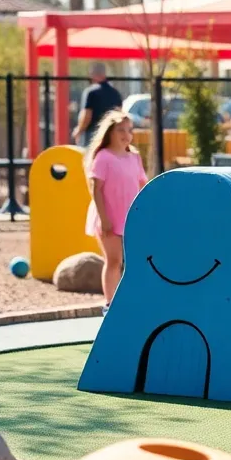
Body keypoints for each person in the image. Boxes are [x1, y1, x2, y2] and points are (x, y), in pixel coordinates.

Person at [84, 110, 147, 311]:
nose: (126, 134)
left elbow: (142, 184)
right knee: (114, 261)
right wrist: (104, 219)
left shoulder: (134, 157)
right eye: (120, 129)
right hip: (109, 217)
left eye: (129, 130)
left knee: (134, 262)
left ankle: (129, 302)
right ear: (110, 132)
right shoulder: (103, 157)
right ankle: (110, 305)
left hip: (130, 218)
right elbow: (97, 189)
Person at [73, 62, 123, 148]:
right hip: (110, 135)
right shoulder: (116, 93)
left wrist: (79, 130)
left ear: (92, 74)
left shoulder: (90, 92)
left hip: (92, 135)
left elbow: (87, 115)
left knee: (89, 159)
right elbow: (119, 114)